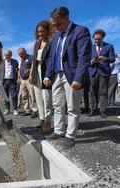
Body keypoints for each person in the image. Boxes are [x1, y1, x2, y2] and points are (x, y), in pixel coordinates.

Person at [43, 6, 92, 148]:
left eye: (58, 23)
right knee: (57, 105)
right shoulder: (56, 36)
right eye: (54, 24)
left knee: (72, 107)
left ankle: (70, 135)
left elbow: (84, 56)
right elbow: (52, 57)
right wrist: (47, 75)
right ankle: (58, 131)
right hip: (57, 75)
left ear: (66, 18)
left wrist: (78, 77)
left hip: (71, 75)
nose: (56, 27)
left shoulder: (80, 31)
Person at [30, 20, 52, 133]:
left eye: (42, 31)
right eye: (38, 32)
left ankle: (48, 121)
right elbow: (34, 60)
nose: (40, 34)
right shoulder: (36, 44)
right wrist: (30, 74)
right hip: (36, 72)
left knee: (46, 98)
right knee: (38, 98)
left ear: (48, 31)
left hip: (46, 71)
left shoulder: (51, 43)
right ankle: (42, 119)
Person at [88, 29, 115, 118]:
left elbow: (112, 59)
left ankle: (102, 110)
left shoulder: (109, 46)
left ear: (103, 38)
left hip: (104, 72)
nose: (97, 41)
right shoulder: (90, 47)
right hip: (93, 71)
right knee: (92, 92)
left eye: (99, 39)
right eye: (95, 39)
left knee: (103, 92)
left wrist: (104, 58)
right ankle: (93, 109)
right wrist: (92, 61)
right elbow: (85, 60)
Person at [18, 47, 38, 118]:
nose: (20, 55)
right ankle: (27, 110)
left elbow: (35, 66)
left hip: (29, 79)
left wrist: (30, 73)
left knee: (32, 95)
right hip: (23, 80)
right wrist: (19, 78)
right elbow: (19, 69)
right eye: (19, 54)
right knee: (24, 95)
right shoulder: (21, 60)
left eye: (21, 54)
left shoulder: (31, 57)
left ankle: (35, 110)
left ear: (25, 52)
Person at [3, 50, 19, 116]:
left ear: (11, 55)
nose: (7, 56)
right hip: (4, 81)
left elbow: (18, 70)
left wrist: (18, 78)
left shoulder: (15, 61)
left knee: (14, 95)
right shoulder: (2, 62)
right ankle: (7, 109)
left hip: (12, 80)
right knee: (5, 95)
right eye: (6, 55)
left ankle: (15, 109)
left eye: (8, 55)